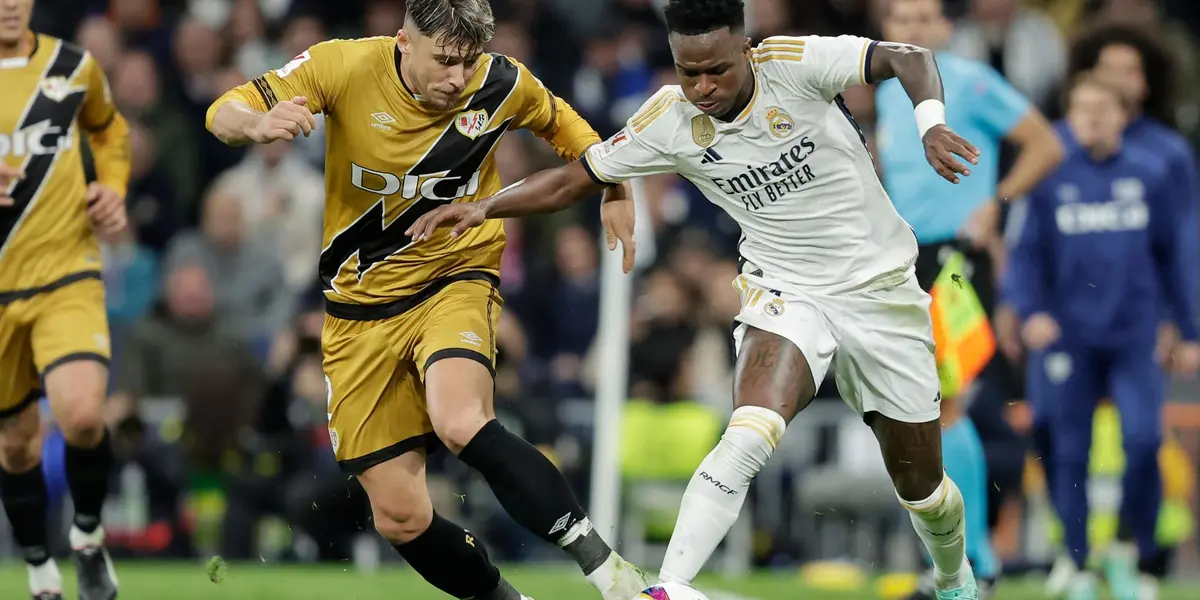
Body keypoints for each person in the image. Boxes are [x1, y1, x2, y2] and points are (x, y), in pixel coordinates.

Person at [409, 0, 984, 597]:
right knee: (750, 431)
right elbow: (575, 178)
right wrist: (484, 207)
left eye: (717, 70)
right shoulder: (669, 119)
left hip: (879, 288)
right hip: (787, 289)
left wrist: (931, 125)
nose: (703, 87)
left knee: (923, 489)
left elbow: (907, 56)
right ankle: (670, 587)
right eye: (689, 72)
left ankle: (954, 578)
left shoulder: (794, 63)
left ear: (745, 49)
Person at [204, 2, 647, 600]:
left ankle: (611, 574)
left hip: (454, 276)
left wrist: (614, 187)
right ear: (403, 41)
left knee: (460, 420)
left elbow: (571, 130)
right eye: (444, 61)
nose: (458, 78)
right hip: (358, 310)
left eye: (468, 62)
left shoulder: (501, 81)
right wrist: (256, 125)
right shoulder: (343, 66)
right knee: (400, 517)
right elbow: (223, 109)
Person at [876, 1, 1064, 596]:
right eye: (901, 20)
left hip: (957, 260)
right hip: (905, 261)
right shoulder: (887, 91)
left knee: (944, 406)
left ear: (945, 28)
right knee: (921, 410)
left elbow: (1045, 145)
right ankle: (959, 565)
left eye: (923, 19)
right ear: (886, 30)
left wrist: (997, 204)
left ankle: (972, 563)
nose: (912, 30)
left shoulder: (971, 81)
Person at [1005, 72, 1199, 600]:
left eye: (1102, 108)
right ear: (1068, 116)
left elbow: (1178, 255)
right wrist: (1029, 312)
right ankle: (1076, 561)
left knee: (1144, 440)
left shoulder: (1151, 173)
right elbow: (1024, 253)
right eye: (1081, 108)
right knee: (1068, 450)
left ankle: (1138, 556)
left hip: (1135, 334)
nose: (1092, 117)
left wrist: (1188, 329)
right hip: (1068, 335)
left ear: (1123, 116)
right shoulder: (1048, 174)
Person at [0, 1, 130, 598]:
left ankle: (87, 535)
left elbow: (110, 129)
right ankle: (38, 567)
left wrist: (113, 187)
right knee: (16, 444)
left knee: (81, 416)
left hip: (66, 272)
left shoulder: (72, 66)